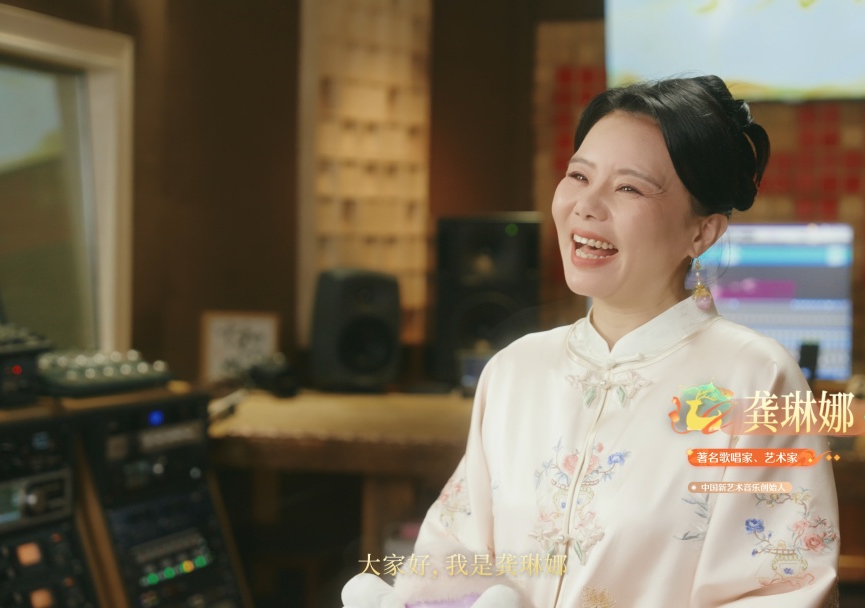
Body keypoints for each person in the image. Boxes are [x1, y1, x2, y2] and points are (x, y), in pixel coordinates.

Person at [342, 75, 839, 608]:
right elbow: (451, 554)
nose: (586, 205)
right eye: (579, 175)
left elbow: (781, 589)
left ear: (703, 232)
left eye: (628, 188)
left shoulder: (756, 379)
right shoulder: (515, 370)